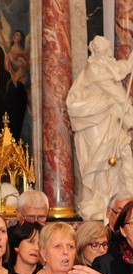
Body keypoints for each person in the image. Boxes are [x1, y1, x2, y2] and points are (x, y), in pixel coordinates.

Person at [67, 36, 133, 222]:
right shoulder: (93, 69)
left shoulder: (107, 65)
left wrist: (130, 62)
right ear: (94, 51)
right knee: (100, 161)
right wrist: (129, 110)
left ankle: (121, 199)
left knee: (120, 156)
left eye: (107, 49)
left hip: (110, 118)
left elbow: (120, 70)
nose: (106, 54)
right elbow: (115, 91)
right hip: (93, 119)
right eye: (103, 50)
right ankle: (101, 203)